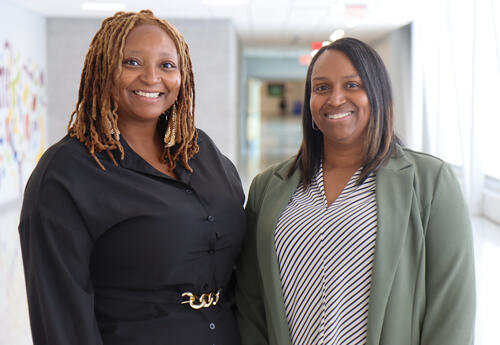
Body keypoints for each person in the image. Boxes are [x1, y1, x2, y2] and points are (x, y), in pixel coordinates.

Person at [19, 10, 245, 345]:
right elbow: (60, 318)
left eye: (167, 65)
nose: (152, 77)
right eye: (132, 62)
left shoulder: (202, 151)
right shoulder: (66, 173)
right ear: (103, 72)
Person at [236, 37, 475, 345]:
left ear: (377, 94)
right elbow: (251, 302)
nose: (335, 99)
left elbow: (452, 309)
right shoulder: (268, 187)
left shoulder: (431, 182)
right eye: (321, 88)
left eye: (352, 85)